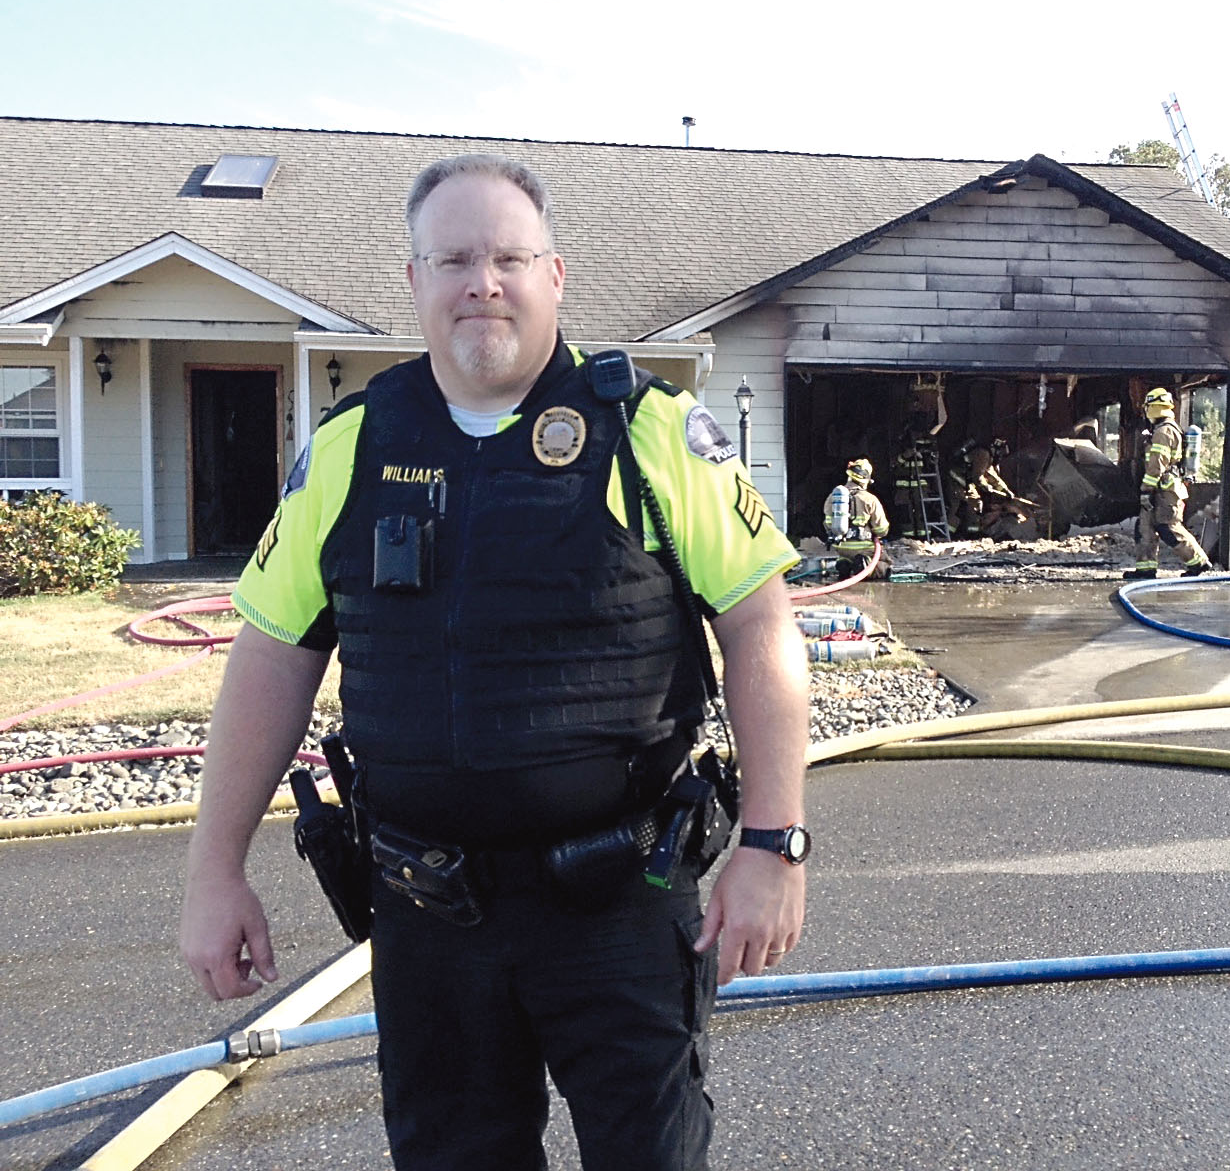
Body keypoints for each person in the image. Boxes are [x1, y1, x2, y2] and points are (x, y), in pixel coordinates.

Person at [179, 154, 811, 1171]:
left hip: (621, 905)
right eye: (455, 258)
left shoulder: (647, 435)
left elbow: (760, 628)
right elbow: (269, 661)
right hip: (430, 921)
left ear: (554, 275)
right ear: (416, 282)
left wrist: (774, 843)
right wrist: (214, 869)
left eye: (510, 256)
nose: (484, 281)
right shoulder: (352, 449)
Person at [1123, 386, 1213, 579]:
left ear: (1153, 407)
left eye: (1147, 407)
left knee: (1169, 527)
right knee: (1144, 527)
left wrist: (1146, 490)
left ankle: (1199, 563)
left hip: (1166, 491)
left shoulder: (1164, 432)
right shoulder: (1160, 430)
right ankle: (1145, 569)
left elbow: (1157, 464)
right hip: (1159, 489)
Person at [823, 457, 891, 577]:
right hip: (863, 547)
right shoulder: (870, 499)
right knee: (885, 563)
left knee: (846, 557)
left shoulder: (833, 497)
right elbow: (882, 529)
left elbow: (828, 523)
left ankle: (844, 563)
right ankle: (864, 564)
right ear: (865, 479)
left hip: (841, 547)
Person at [949, 443, 1032, 537]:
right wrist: (986, 486)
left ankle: (970, 532)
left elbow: (993, 478)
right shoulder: (983, 455)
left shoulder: (989, 459)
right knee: (967, 505)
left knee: (975, 504)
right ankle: (951, 534)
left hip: (966, 482)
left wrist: (1006, 491)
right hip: (956, 481)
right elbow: (977, 477)